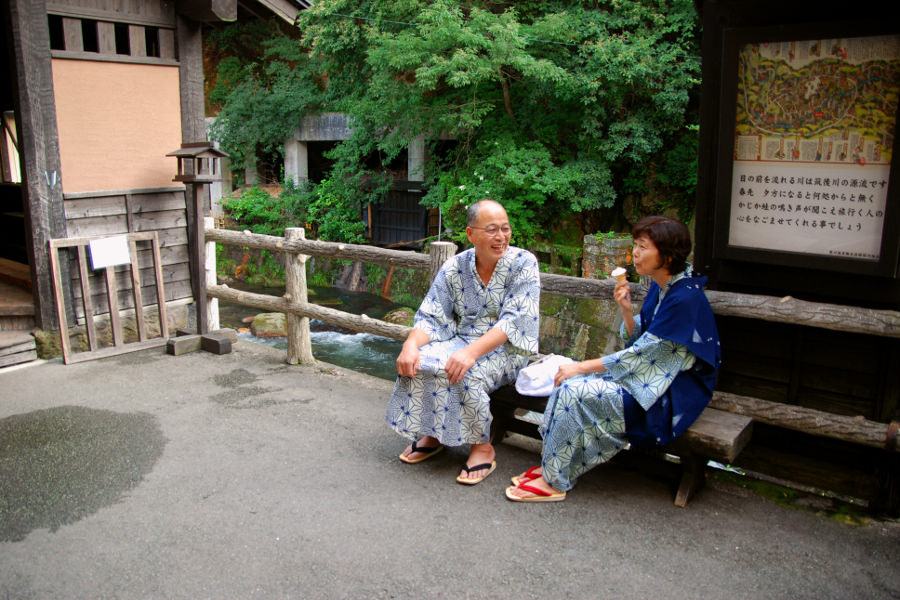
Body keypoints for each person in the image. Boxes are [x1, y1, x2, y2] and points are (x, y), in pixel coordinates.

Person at [506, 216, 721, 502]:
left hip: (669, 396)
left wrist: (580, 366)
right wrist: (627, 310)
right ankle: (554, 465)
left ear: (667, 255)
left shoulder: (685, 299)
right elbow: (641, 342)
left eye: (643, 247)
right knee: (568, 380)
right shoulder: (662, 285)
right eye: (636, 245)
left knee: (573, 387)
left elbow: (639, 356)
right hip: (650, 380)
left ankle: (556, 481)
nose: (636, 253)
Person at [385, 199, 540, 485]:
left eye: (505, 229)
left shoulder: (523, 263)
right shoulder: (455, 266)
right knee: (424, 360)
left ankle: (482, 446)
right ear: (471, 234)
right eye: (492, 229)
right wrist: (410, 345)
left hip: (509, 348)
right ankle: (433, 433)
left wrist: (471, 353)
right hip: (463, 338)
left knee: (465, 372)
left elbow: (515, 320)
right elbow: (432, 315)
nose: (501, 236)